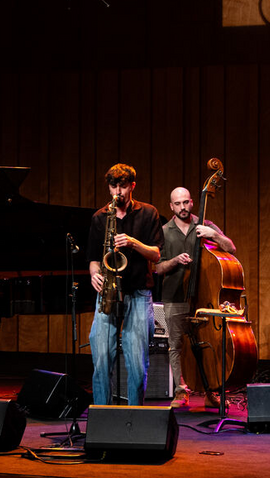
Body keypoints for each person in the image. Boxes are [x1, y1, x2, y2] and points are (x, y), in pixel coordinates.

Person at [87, 164, 163, 405]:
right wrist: (94, 274)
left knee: (137, 364)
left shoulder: (149, 213)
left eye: (122, 186)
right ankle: (102, 414)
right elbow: (93, 259)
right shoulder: (100, 217)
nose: (117, 192)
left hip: (138, 293)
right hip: (108, 293)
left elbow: (156, 255)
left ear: (132, 186)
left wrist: (132, 242)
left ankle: (134, 416)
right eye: (113, 187)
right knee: (101, 360)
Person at [154, 187, 236, 409]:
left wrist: (214, 235)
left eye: (185, 202)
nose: (182, 207)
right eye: (177, 204)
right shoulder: (164, 231)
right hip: (175, 296)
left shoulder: (206, 225)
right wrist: (175, 261)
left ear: (191, 202)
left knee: (209, 345)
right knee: (176, 345)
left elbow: (231, 248)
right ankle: (181, 391)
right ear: (171, 206)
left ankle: (211, 391)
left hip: (204, 297)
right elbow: (158, 268)